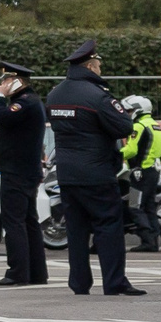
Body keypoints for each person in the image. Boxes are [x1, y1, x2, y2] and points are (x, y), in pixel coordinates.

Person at [49, 41, 144, 298]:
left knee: (76, 231)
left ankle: (79, 283)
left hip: (67, 174)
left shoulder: (55, 95)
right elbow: (124, 126)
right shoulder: (97, 96)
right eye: (99, 66)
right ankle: (114, 282)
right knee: (108, 227)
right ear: (90, 66)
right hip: (96, 173)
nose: (100, 70)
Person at [0, 61, 50, 287]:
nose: (3, 84)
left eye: (6, 80)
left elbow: (1, 118)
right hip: (25, 170)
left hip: (17, 170)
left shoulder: (24, 103)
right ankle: (36, 272)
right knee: (29, 221)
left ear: (17, 81)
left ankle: (17, 272)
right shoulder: (29, 101)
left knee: (14, 221)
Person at [118, 96, 161, 254]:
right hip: (153, 172)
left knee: (135, 206)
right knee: (149, 207)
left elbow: (131, 150)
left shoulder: (138, 126)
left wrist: (114, 155)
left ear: (138, 110)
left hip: (140, 173)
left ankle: (147, 240)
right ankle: (153, 241)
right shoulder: (156, 126)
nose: (127, 113)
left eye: (129, 110)